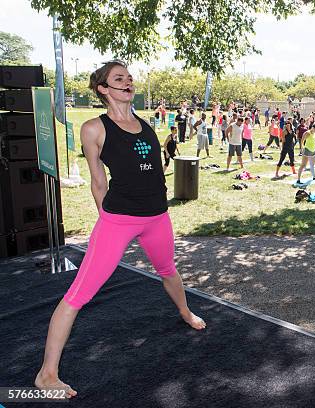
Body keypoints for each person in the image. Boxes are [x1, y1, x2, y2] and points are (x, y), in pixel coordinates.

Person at [34, 61, 205, 399]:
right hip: (118, 220)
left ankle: (185, 311)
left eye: (129, 77)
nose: (127, 82)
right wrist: (106, 223)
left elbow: (151, 171)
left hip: (157, 216)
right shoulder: (94, 128)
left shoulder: (144, 125)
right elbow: (98, 182)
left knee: (168, 269)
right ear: (103, 89)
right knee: (78, 295)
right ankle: (46, 374)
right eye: (118, 78)